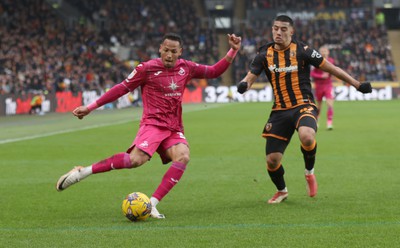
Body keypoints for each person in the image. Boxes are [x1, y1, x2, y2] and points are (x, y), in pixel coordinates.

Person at [56, 33, 242, 219]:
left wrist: (233, 50)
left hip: (174, 127)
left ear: (180, 52)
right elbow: (121, 88)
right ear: (160, 48)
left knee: (183, 156)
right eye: (166, 50)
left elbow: (213, 71)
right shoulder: (146, 69)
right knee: (135, 161)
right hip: (152, 124)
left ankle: (151, 204)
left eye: (173, 51)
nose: (169, 55)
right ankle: (83, 172)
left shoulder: (187, 67)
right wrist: (90, 107)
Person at [237, 15, 371, 204]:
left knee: (307, 136)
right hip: (279, 110)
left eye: (283, 29)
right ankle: (282, 191)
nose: (278, 32)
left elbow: (332, 68)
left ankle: (309, 173)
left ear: (292, 31)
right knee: (272, 160)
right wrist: (244, 85)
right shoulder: (263, 54)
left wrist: (357, 85)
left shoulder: (304, 50)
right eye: (275, 28)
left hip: (304, 104)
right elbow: (250, 77)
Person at [310, 46, 335, 130]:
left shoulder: (331, 61)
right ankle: (316, 121)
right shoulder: (315, 61)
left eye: (325, 51)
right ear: (319, 52)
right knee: (318, 106)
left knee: (330, 104)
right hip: (319, 86)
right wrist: (321, 76)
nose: (324, 52)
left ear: (328, 52)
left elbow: (333, 71)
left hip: (328, 85)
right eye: (322, 51)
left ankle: (329, 123)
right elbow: (312, 74)